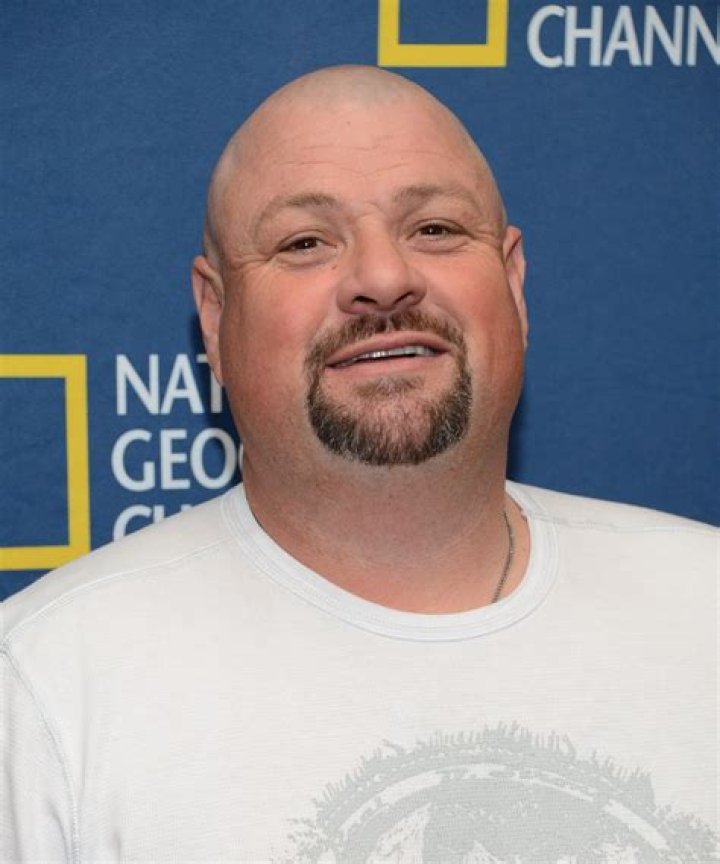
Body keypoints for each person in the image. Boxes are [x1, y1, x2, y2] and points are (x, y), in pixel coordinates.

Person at [1, 66, 716, 863]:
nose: (383, 280)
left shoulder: (706, 608)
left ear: (513, 284)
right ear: (215, 314)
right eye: (305, 243)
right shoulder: (42, 691)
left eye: (435, 229)